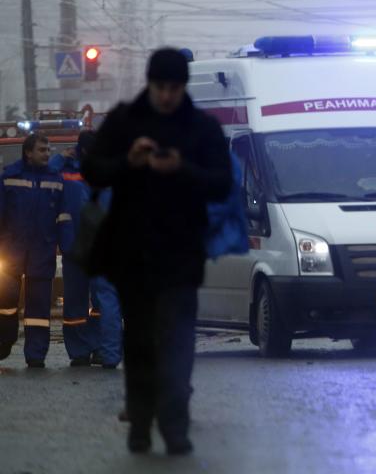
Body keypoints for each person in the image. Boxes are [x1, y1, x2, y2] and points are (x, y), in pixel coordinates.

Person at [83, 48, 231, 455]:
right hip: (133, 255)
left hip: (181, 256)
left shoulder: (201, 128)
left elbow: (221, 182)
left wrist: (182, 168)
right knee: (141, 342)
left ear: (183, 87)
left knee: (179, 343)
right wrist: (128, 162)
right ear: (149, 84)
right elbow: (92, 169)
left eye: (174, 88)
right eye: (160, 87)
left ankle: (175, 426)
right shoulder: (124, 121)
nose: (167, 96)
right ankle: (140, 423)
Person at [50, 132, 123, 369]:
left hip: (76, 246)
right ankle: (105, 353)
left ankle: (82, 351)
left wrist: (61, 157)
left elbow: (47, 174)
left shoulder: (67, 171)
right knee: (103, 302)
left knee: (77, 303)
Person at [0, 132, 72, 368]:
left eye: (49, 150)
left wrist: (66, 246)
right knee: (6, 305)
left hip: (42, 251)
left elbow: (63, 217)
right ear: (28, 152)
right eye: (42, 150)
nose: (47, 154)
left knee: (39, 310)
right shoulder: (9, 177)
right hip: (11, 252)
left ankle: (36, 356)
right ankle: (3, 344)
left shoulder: (56, 179)